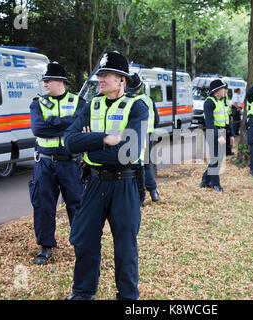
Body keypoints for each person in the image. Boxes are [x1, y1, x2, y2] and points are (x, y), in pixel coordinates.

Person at [63, 51, 149, 300]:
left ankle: (128, 297)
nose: (100, 79)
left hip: (126, 184)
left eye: (106, 75)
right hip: (94, 183)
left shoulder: (138, 107)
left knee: (125, 247)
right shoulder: (91, 105)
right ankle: (82, 293)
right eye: (99, 74)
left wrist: (88, 143)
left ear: (121, 80)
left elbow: (127, 152)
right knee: (84, 241)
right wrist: (105, 138)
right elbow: (69, 141)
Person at [29, 62, 86, 265]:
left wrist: (53, 121)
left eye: (48, 80)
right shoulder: (37, 103)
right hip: (44, 163)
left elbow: (81, 124)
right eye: (44, 80)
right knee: (43, 205)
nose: (45, 84)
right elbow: (38, 129)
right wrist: (67, 124)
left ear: (60, 81)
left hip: (71, 163)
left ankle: (81, 244)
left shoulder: (79, 101)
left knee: (77, 205)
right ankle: (45, 246)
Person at [127, 72, 161, 204]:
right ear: (139, 87)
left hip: (135, 135)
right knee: (146, 164)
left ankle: (139, 197)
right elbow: (157, 120)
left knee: (136, 165)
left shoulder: (129, 101)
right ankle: (153, 192)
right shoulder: (148, 99)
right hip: (149, 135)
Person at [200, 79, 232, 192]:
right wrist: (218, 135)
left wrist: (231, 134)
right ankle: (215, 184)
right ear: (216, 91)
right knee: (215, 159)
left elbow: (227, 120)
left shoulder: (223, 102)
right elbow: (209, 123)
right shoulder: (209, 102)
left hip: (222, 133)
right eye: (223, 88)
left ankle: (205, 179)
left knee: (218, 158)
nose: (225, 90)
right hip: (213, 133)